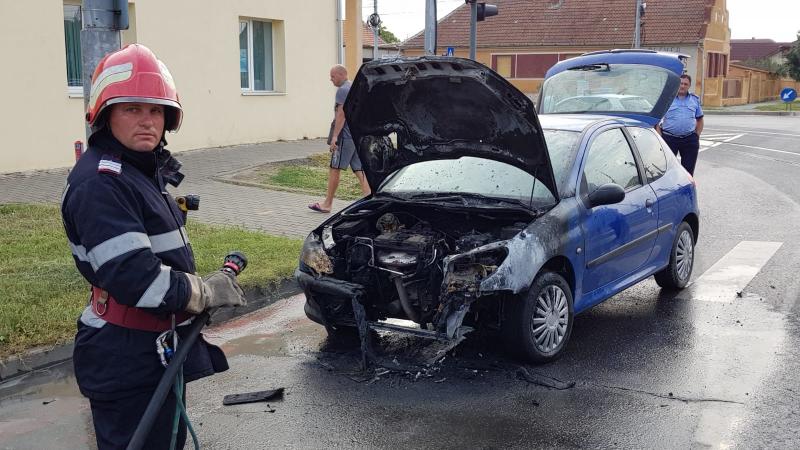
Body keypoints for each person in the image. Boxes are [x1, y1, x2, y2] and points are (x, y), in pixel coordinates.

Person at [61, 44, 246, 449]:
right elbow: (136, 278)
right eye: (132, 109)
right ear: (105, 114)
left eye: (156, 111)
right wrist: (205, 291)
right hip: (126, 356)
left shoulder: (137, 171)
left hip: (153, 347)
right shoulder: (101, 183)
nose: (147, 121)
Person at [308, 64, 371, 213]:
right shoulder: (353, 88)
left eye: (333, 76)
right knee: (359, 169)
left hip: (345, 136)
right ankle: (370, 200)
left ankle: (327, 204)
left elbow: (341, 115)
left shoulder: (342, 91)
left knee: (334, 168)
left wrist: (335, 136)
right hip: (356, 136)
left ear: (342, 75)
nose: (331, 79)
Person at [656, 73, 704, 175]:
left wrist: (696, 135)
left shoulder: (694, 100)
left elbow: (700, 119)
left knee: (688, 172)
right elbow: (656, 119)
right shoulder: (667, 99)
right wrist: (660, 137)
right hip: (669, 139)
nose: (682, 86)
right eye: (681, 83)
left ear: (689, 86)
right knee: (667, 171)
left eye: (685, 84)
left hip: (689, 140)